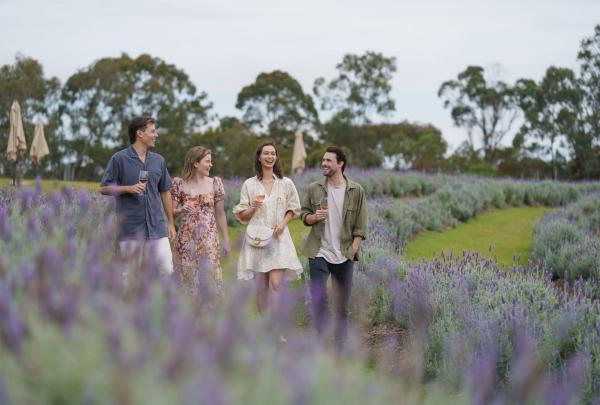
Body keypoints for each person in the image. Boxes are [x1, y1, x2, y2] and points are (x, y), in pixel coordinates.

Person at [300, 146, 368, 349]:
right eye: (323, 160)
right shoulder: (315, 188)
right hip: (319, 251)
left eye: (329, 160)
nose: (324, 163)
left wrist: (353, 249)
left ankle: (340, 346)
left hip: (345, 254)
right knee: (319, 300)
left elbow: (361, 226)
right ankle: (320, 341)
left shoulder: (356, 190)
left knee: (342, 306)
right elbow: (304, 215)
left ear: (340, 164)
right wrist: (313, 217)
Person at [99, 116, 176, 277]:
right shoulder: (119, 159)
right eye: (153, 131)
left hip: (157, 228)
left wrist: (170, 222)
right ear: (140, 134)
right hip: (130, 229)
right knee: (130, 276)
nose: (156, 135)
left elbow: (165, 191)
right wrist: (128, 188)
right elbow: (104, 188)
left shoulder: (158, 161)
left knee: (167, 272)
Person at [233, 142, 302, 314]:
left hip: (279, 238)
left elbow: (294, 208)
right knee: (261, 287)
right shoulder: (249, 184)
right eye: (266, 153)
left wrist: (282, 224)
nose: (270, 156)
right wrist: (253, 207)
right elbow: (241, 215)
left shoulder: (286, 183)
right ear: (259, 157)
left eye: (273, 153)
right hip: (257, 240)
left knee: (276, 284)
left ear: (276, 157)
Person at [171, 146, 230, 297]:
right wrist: (181, 209)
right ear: (196, 163)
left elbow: (220, 214)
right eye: (208, 161)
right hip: (186, 241)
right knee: (186, 281)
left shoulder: (215, 183)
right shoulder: (179, 183)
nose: (211, 165)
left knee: (209, 280)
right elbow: (171, 212)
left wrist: (226, 240)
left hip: (208, 241)